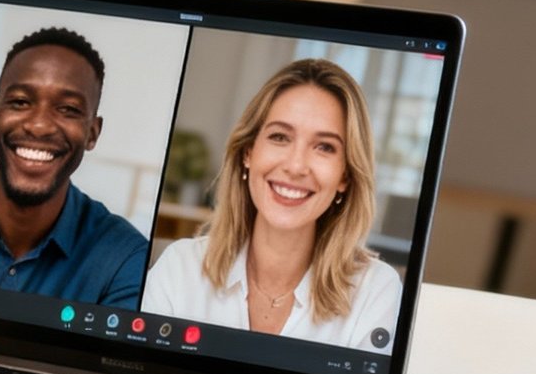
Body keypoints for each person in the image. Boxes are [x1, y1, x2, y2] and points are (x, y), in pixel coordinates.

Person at [142, 58, 402, 352]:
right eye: (280, 137)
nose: (295, 166)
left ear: (345, 175)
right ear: (248, 152)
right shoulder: (179, 268)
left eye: (324, 147)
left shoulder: (375, 289)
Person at [0, 28, 149, 306]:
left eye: (68, 109)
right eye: (20, 102)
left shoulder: (125, 258)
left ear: (92, 133)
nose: (39, 126)